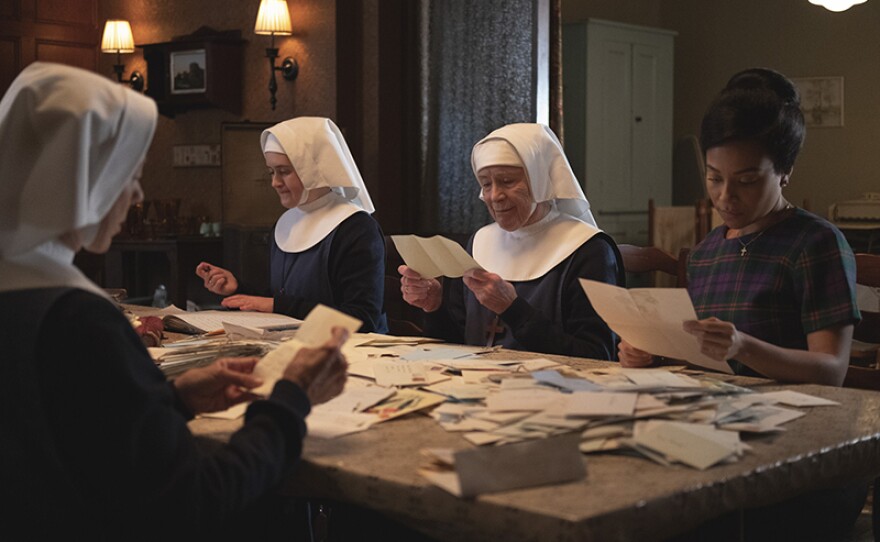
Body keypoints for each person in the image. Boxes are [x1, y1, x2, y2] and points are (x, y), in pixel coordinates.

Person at [0, 62, 349, 538]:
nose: (138, 193)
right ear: (82, 178)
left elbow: (71, 427)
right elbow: (191, 502)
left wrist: (169, 398)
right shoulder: (76, 318)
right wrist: (291, 400)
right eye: (130, 174)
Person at [618, 68, 863, 541]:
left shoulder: (816, 243)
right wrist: (651, 352)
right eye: (714, 178)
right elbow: (702, 354)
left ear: (786, 170)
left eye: (747, 180)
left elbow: (831, 369)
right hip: (718, 431)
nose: (726, 197)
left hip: (804, 450)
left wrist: (743, 346)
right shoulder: (710, 249)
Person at [399, 123, 624, 358]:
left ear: (539, 182)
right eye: (486, 184)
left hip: (554, 391)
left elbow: (597, 356)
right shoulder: (479, 242)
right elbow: (456, 345)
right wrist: (435, 306)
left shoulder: (587, 250)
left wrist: (512, 309)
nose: (495, 196)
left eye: (507, 181)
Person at [196, 117, 388, 333]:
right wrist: (238, 288)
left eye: (284, 171)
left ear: (313, 169)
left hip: (353, 356)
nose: (274, 182)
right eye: (271, 171)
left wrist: (277, 305)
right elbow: (281, 296)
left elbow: (362, 320)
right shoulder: (285, 223)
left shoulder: (356, 229)